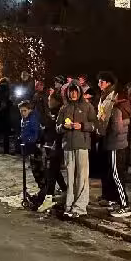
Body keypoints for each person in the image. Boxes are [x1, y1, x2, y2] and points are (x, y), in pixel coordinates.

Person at [96, 72, 131, 218]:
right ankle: (116, 201)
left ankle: (125, 205)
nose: (99, 84)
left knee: (117, 175)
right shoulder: (110, 101)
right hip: (114, 142)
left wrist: (103, 128)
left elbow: (116, 127)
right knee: (114, 173)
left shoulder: (116, 107)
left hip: (115, 143)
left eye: (102, 82)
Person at [57, 83, 96, 218]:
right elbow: (57, 127)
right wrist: (64, 127)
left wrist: (82, 126)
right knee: (70, 177)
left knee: (82, 176)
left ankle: (80, 207)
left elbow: (95, 125)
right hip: (68, 146)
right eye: (71, 91)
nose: (73, 94)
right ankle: (69, 205)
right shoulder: (63, 108)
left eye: (75, 91)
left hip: (82, 145)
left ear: (79, 92)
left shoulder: (87, 107)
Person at [18, 100, 46, 206]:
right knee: (35, 170)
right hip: (29, 146)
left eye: (24, 111)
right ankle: (42, 191)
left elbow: (35, 133)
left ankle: (44, 192)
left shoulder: (33, 119)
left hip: (35, 147)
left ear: (30, 110)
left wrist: (29, 140)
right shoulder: (25, 119)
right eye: (21, 111)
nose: (22, 113)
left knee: (39, 170)